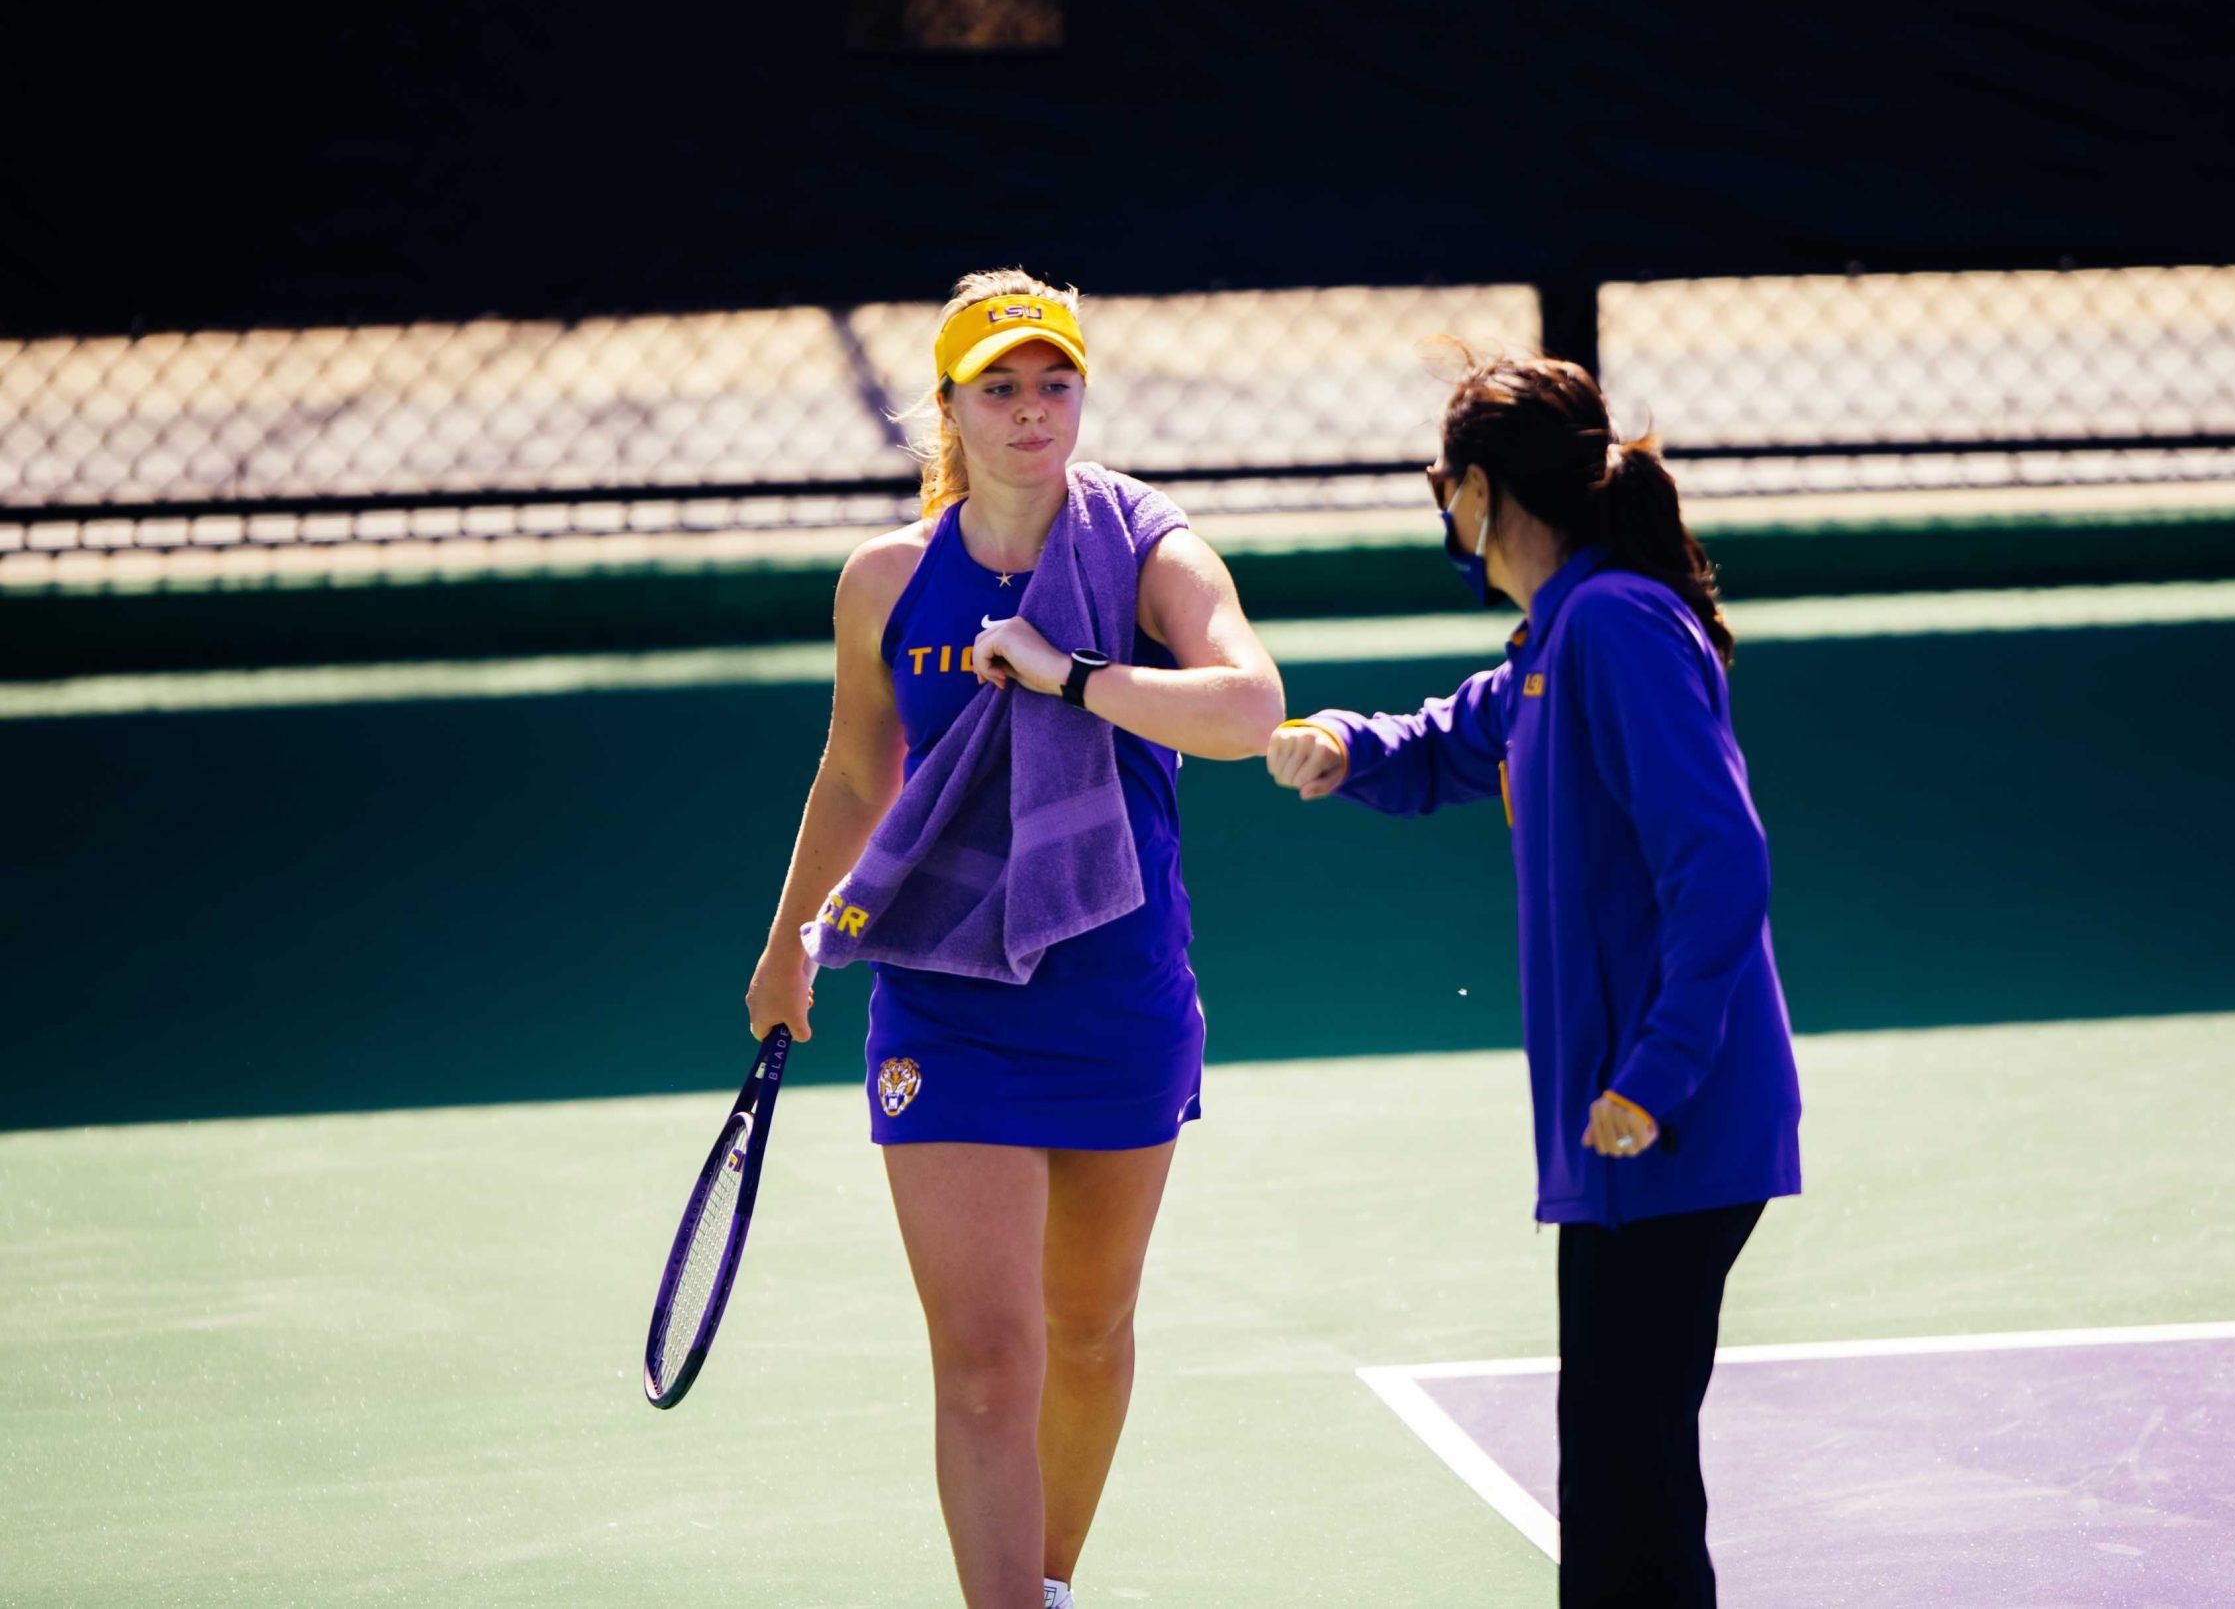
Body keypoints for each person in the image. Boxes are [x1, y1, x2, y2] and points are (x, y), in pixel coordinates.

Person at [745, 269, 1284, 1609]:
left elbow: (1249, 705)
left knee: (1088, 1333)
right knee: (988, 1356)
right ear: (950, 407)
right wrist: (788, 944)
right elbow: (855, 775)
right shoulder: (886, 580)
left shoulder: (1153, 551)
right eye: (1001, 385)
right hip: (945, 1000)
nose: (1033, 408)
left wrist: (1074, 674)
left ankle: (1043, 1584)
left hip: (1116, 992)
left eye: (1055, 381)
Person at [1265, 354, 1801, 1609]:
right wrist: (1351, 747)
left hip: (1668, 1126)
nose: (1438, 505)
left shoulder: (1613, 626)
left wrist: (1654, 1079)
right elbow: (1459, 734)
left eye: (1440, 483)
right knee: (1613, 1476)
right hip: (1624, 1146)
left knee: (1633, 1483)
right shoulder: (1561, 640)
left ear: (1482, 492)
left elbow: (1719, 867)